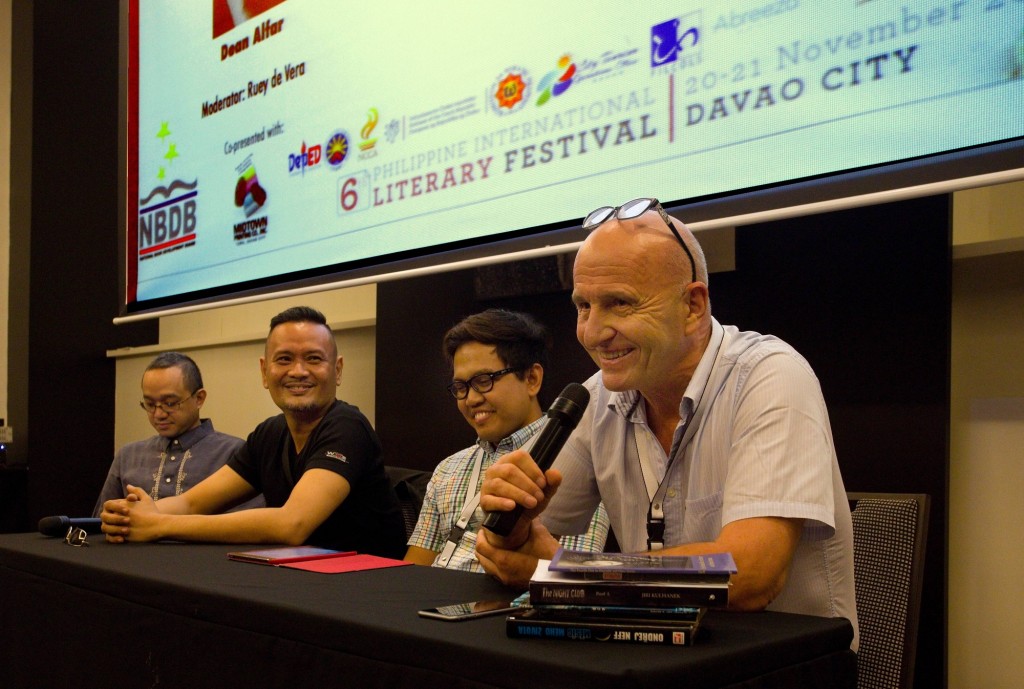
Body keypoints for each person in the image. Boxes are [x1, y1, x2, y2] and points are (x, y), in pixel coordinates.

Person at [475, 198, 858, 648]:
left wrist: (573, 572)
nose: (592, 332)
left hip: (783, 667)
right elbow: (509, 544)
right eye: (583, 306)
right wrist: (512, 522)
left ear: (693, 305)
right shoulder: (598, 396)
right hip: (657, 653)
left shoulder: (771, 375)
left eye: (619, 303)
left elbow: (751, 575)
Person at [101, 306, 406, 558]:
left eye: (313, 359)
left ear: (337, 371)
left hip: (361, 590)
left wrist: (160, 526)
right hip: (298, 579)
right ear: (264, 371)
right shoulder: (269, 433)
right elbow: (191, 503)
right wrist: (132, 515)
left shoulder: (347, 426)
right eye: (284, 359)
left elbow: (292, 524)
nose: (298, 371)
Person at [404, 309, 609, 572]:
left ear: (532, 379)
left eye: (483, 380)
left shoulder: (576, 462)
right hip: (431, 605)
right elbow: (412, 572)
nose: (470, 399)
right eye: (460, 387)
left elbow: (569, 577)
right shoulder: (447, 469)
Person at [93, 352, 263, 517]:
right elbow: (99, 525)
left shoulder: (234, 452)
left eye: (170, 403)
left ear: (199, 398)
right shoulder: (128, 456)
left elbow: (250, 524)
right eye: (150, 404)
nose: (158, 414)